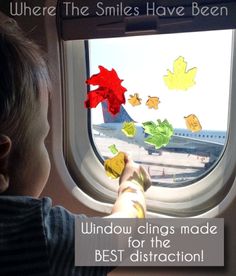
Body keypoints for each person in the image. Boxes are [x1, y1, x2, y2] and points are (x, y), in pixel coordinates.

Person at [0, 15, 151, 276]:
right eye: (43, 139)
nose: (47, 145)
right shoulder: (40, 235)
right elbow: (121, 237)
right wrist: (133, 185)